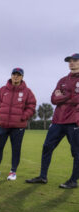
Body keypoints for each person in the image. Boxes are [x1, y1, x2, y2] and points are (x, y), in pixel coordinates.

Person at [26, 53, 79, 189]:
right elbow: (53, 99)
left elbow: (76, 99)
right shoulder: (62, 80)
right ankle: (42, 176)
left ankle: (73, 180)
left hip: (74, 121)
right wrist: (69, 96)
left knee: (76, 151)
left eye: (75, 60)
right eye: (70, 61)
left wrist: (64, 95)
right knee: (47, 147)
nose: (71, 63)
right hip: (57, 121)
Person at [0, 68, 36, 180]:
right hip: (2, 125)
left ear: (22, 77)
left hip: (18, 127)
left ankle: (13, 172)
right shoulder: (2, 90)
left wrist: (23, 117)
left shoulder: (27, 92)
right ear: (11, 76)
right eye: (14, 74)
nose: (16, 76)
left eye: (18, 75)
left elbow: (32, 106)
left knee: (16, 149)